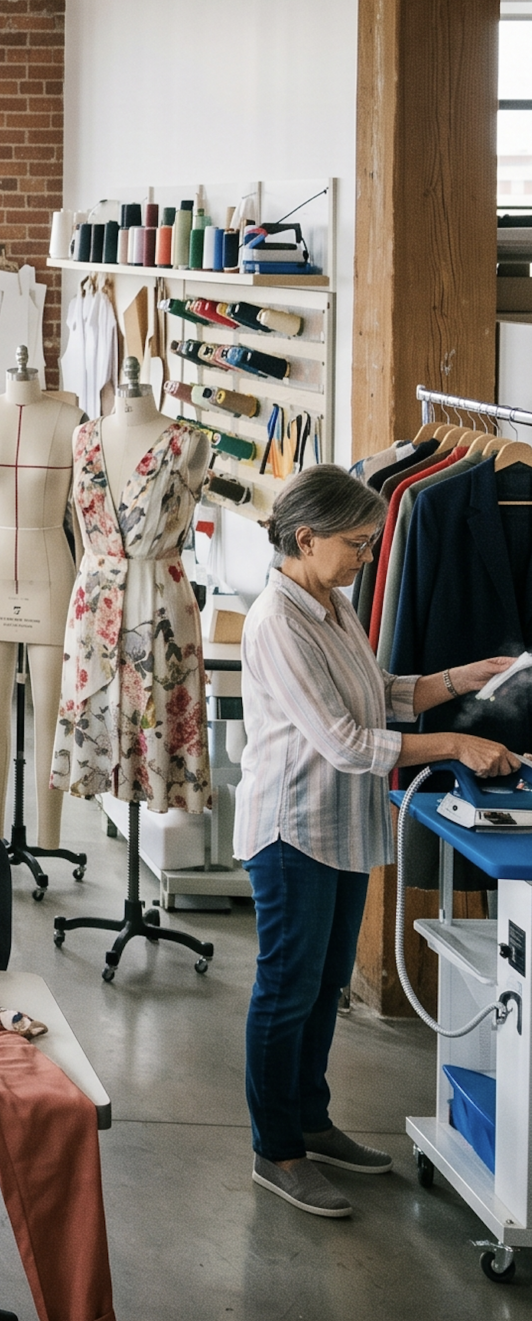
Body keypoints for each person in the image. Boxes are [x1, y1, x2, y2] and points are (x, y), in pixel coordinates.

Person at [235, 465, 519, 1218]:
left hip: (338, 825)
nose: (368, 554)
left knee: (323, 985)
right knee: (287, 988)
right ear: (307, 537)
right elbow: (345, 739)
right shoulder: (276, 622)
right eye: (358, 543)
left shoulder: (331, 603)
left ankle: (310, 1117)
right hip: (293, 827)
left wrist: (463, 676)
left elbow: (379, 691)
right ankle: (277, 1149)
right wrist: (456, 744)